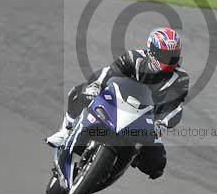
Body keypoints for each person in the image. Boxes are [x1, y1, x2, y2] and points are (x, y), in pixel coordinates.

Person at [46, 27, 189, 180]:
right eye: (164, 55)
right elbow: (111, 71)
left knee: (157, 164)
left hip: (147, 122)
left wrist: (163, 123)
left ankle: (130, 156)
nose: (168, 60)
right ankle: (66, 130)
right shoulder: (135, 58)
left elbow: (175, 107)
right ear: (152, 51)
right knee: (78, 93)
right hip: (116, 104)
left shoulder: (180, 79)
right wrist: (96, 85)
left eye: (172, 56)